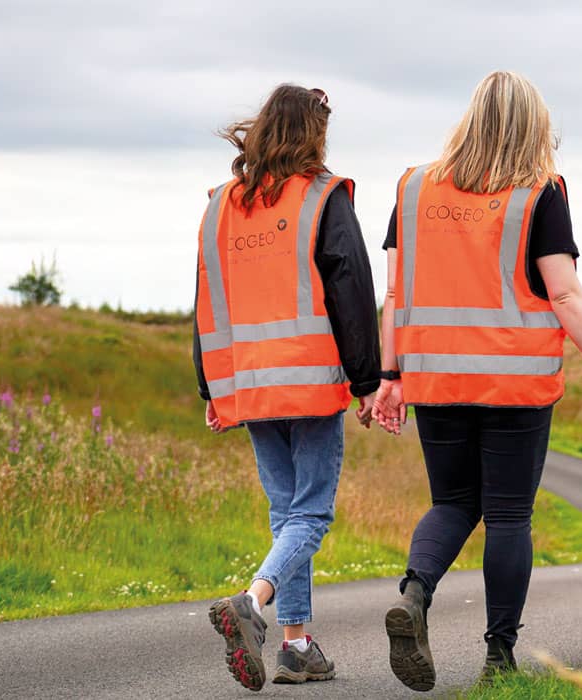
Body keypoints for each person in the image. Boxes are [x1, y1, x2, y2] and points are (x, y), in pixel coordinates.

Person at [365, 70, 582, 691]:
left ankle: (414, 594)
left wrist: (390, 374)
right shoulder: (539, 194)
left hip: (434, 377)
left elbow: (396, 292)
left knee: (452, 503)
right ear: (533, 126)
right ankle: (498, 658)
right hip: (515, 382)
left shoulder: (413, 188)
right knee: (509, 516)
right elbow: (563, 293)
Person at [192, 83, 378, 691]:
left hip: (249, 382)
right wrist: (368, 380)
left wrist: (213, 391)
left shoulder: (222, 204)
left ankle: (297, 646)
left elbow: (205, 300)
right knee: (311, 513)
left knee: (286, 512)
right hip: (310, 379)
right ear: (313, 132)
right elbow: (350, 290)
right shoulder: (323, 196)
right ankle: (252, 602)